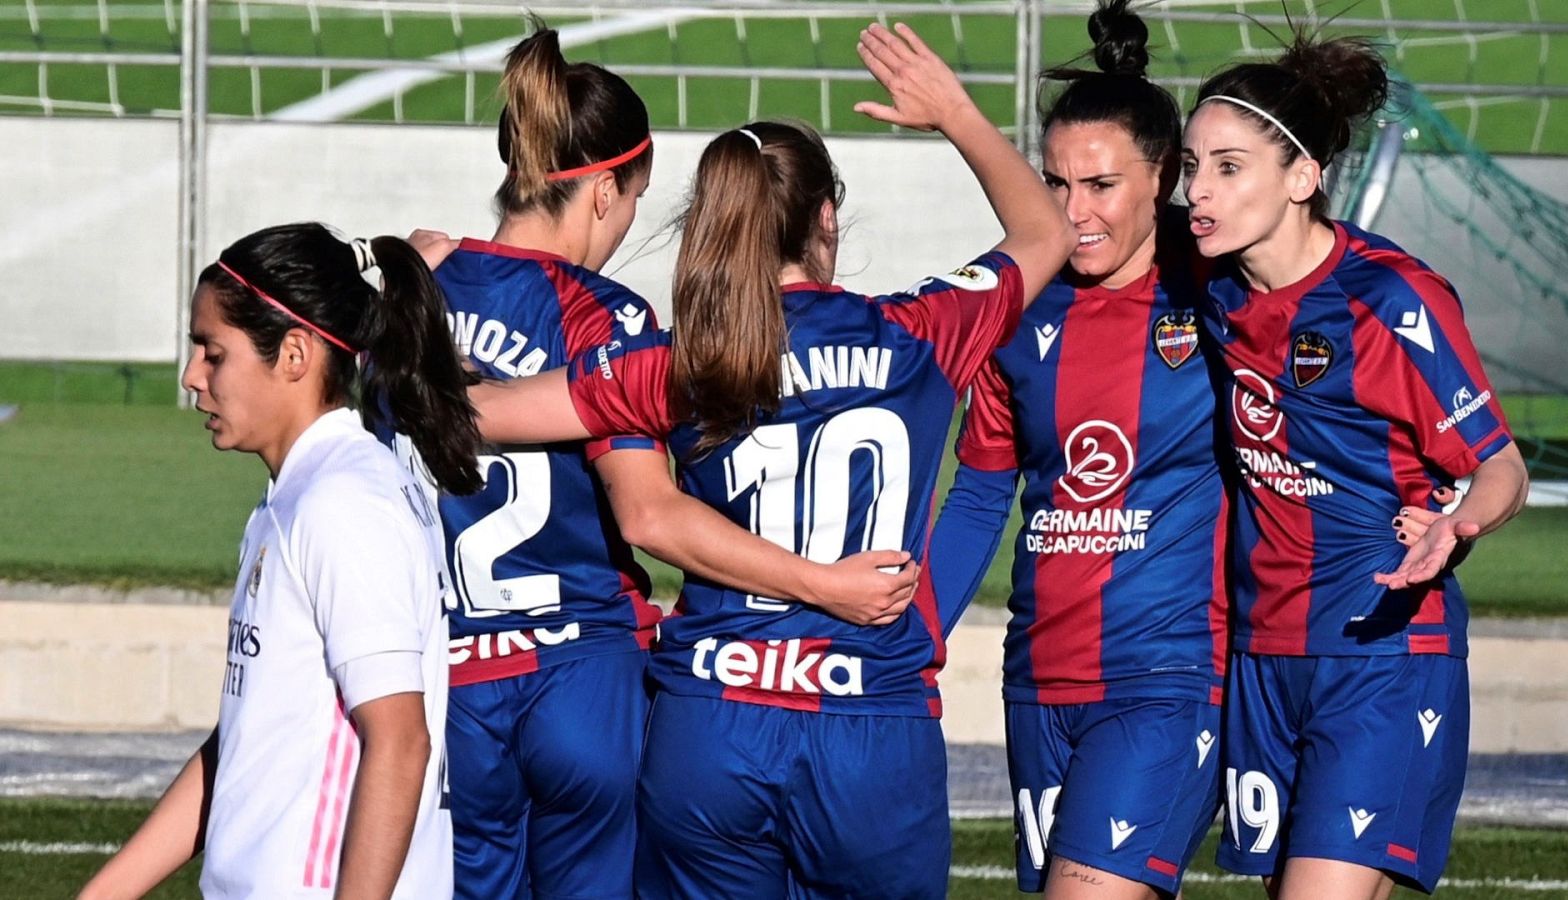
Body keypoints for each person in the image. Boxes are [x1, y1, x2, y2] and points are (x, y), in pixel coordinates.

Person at [466, 22, 1072, 897]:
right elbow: (1043, 231)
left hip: (710, 723)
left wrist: (424, 297)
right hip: (866, 718)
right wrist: (956, 116)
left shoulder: (680, 362)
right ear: (826, 217)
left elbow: (483, 413)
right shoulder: (921, 334)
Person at [396, 25, 920, 900]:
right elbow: (645, 507)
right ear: (604, 189)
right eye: (634, 198)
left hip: (453, 681)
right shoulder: (607, 317)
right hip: (584, 675)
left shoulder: (409, 299)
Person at [1181, 28, 1529, 899]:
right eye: (1192, 166)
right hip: (1265, 655)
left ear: (1303, 179)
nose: (1197, 191)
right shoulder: (1214, 283)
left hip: (1383, 648)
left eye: (1228, 167)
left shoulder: (1389, 299)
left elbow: (1502, 468)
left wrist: (1459, 523)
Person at [80, 223, 477, 899]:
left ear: (295, 353)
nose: (192, 377)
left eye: (213, 353)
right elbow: (246, 738)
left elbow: (400, 743)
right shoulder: (294, 498)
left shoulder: (345, 502)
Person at [927, 3, 1227, 896]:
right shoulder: (1015, 296)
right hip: (1040, 681)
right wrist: (914, 642)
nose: (1072, 211)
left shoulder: (1220, 286)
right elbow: (980, 495)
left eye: (1101, 186)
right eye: (1054, 184)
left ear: (1166, 175)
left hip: (1170, 676)